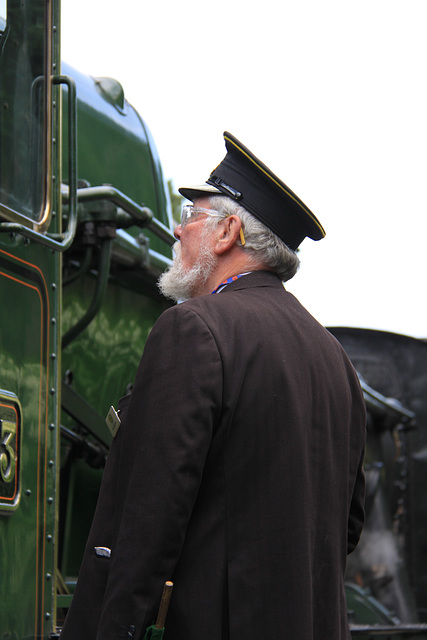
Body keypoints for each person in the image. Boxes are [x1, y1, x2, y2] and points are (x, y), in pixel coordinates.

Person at [60, 131, 366, 640]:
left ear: (227, 233)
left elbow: (146, 523)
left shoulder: (194, 328)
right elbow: (346, 527)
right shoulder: (336, 361)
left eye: (190, 218)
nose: (178, 234)